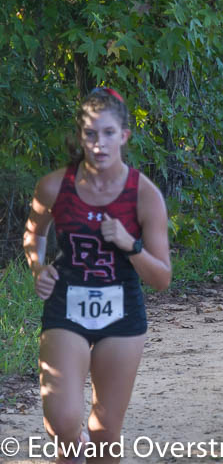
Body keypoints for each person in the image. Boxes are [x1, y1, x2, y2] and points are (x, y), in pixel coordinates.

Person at [23, 87, 171, 464]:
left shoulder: (144, 195)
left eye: (108, 134)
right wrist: (38, 266)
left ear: (124, 135)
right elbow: (34, 233)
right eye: (90, 134)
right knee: (63, 423)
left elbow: (162, 278)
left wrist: (129, 244)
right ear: (80, 137)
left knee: (105, 434)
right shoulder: (55, 186)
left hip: (122, 314)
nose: (99, 144)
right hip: (66, 309)